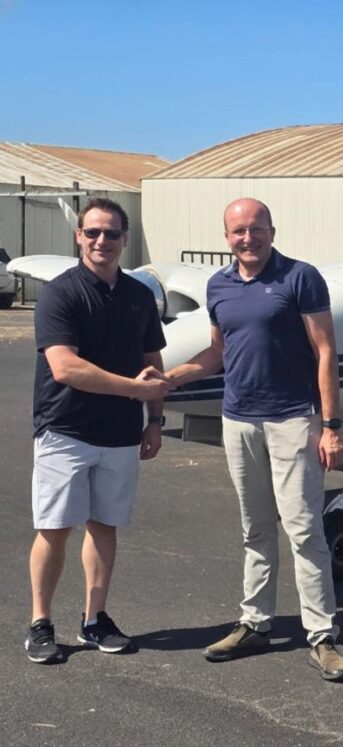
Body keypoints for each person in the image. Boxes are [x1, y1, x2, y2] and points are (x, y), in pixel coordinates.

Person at [166, 198, 343, 682]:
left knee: (305, 529)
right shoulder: (219, 285)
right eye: (238, 231)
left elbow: (326, 351)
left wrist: (331, 426)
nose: (248, 238)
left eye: (256, 229)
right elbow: (217, 353)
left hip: (293, 419)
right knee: (255, 528)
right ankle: (255, 623)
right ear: (225, 236)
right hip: (240, 421)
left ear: (272, 230)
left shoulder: (299, 277)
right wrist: (167, 379)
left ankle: (321, 636)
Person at [26, 197, 169, 664]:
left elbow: (153, 363)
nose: (101, 241)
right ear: (79, 237)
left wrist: (155, 420)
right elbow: (65, 368)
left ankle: (95, 619)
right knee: (55, 528)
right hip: (65, 429)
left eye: (111, 233)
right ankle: (41, 624)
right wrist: (133, 390)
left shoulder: (139, 296)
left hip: (121, 435)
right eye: (92, 233)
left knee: (105, 527)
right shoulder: (61, 293)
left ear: (125, 239)